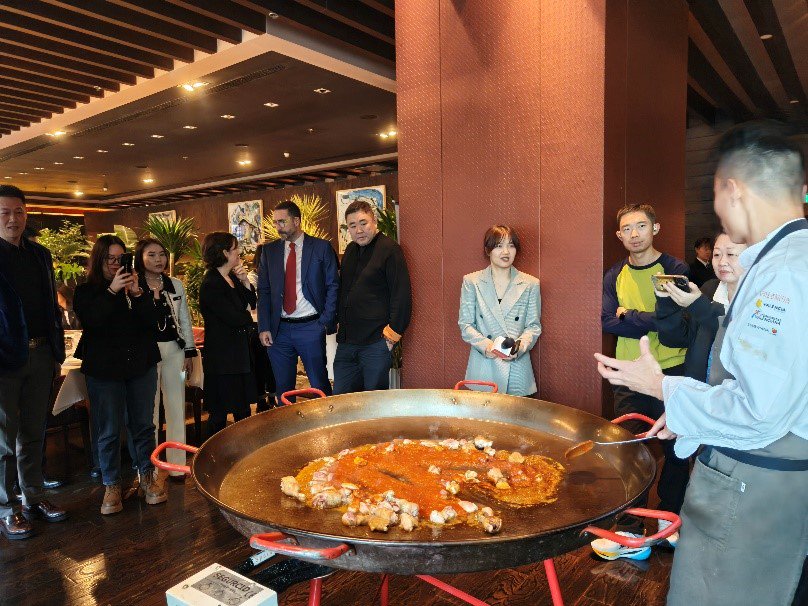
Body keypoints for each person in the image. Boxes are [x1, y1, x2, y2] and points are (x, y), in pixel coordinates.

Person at [595, 122, 808, 606]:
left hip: (758, 484)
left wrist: (665, 388)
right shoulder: (790, 258)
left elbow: (759, 410)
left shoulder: (781, 274)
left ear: (733, 190)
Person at [597, 203, 689, 558]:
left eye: (641, 226)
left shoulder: (674, 269)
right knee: (628, 451)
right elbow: (607, 321)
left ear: (655, 228)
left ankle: (669, 523)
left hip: (672, 372)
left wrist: (629, 315)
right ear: (619, 236)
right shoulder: (614, 273)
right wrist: (648, 317)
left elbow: (677, 328)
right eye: (627, 229)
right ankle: (628, 531)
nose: (634, 234)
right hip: (629, 376)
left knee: (677, 451)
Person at [74, 235, 166, 515]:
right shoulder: (86, 291)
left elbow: (155, 323)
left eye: (121, 259)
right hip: (104, 369)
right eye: (111, 259)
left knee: (142, 425)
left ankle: (147, 477)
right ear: (99, 261)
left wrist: (138, 294)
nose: (117, 265)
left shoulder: (137, 289)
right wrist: (113, 291)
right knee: (109, 429)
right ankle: (111, 483)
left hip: (141, 363)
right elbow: (93, 320)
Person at [0, 185, 67, 540]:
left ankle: (34, 498)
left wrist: (56, 353)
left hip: (41, 353)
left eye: (19, 212)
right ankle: (6, 507)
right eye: (5, 212)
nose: (13, 219)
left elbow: (50, 307)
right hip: (4, 360)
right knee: (3, 439)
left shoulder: (40, 254)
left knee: (33, 433)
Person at [257, 201, 338, 404]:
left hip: (311, 326)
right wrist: (264, 326)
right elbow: (264, 291)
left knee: (319, 385)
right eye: (275, 222)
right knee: (283, 390)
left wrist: (324, 322)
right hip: (279, 331)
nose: (277, 227)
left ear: (296, 220)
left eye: (282, 222)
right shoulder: (269, 251)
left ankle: (327, 429)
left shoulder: (321, 248)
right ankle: (289, 432)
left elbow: (333, 286)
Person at [334, 200, 411, 394]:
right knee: (342, 400)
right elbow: (344, 291)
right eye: (353, 225)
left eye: (363, 223)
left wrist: (391, 337)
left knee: (373, 403)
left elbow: (401, 296)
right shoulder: (350, 251)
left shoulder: (390, 249)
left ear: (374, 221)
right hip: (346, 343)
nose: (359, 230)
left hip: (376, 343)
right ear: (348, 229)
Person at [135, 238, 197, 476]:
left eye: (161, 254)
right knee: (147, 412)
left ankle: (177, 466)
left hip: (175, 349)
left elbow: (184, 319)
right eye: (151, 255)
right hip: (146, 352)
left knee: (176, 407)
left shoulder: (175, 284)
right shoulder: (133, 284)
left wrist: (190, 351)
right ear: (140, 257)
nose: (158, 259)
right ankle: (148, 468)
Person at [458, 225, 541, 395]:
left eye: (511, 245)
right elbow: (465, 325)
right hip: (483, 368)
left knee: (515, 419)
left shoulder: (531, 284)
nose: (506, 251)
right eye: (499, 245)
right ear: (487, 250)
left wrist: (518, 348)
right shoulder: (472, 282)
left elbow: (533, 326)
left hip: (517, 370)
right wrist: (487, 346)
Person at [656, 233, 747, 382]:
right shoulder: (709, 289)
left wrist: (698, 305)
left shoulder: (763, 297)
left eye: (731, 254)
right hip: (698, 393)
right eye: (717, 254)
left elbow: (736, 335)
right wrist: (666, 303)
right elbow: (675, 339)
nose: (722, 261)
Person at [198, 232, 257, 436]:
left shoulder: (231, 277)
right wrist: (251, 317)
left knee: (243, 409)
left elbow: (251, 302)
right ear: (224, 252)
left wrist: (245, 282)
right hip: (222, 358)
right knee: (220, 413)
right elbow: (234, 317)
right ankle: (213, 457)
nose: (239, 252)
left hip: (238, 354)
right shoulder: (211, 283)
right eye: (235, 248)